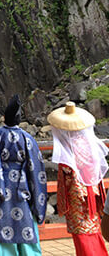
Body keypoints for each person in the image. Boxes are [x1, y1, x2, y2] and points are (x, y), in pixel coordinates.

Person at [0, 94, 47, 255]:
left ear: (4, 117)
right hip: (25, 188)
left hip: (3, 186)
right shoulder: (27, 137)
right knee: (28, 224)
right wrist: (36, 196)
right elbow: (36, 167)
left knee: (5, 227)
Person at [47, 101, 109, 256]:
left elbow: (68, 170)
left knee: (81, 232)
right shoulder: (87, 143)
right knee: (92, 228)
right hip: (92, 192)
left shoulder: (69, 147)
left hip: (77, 194)